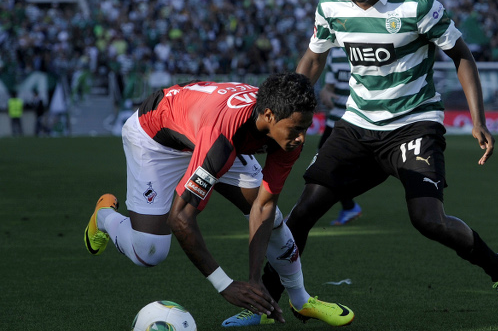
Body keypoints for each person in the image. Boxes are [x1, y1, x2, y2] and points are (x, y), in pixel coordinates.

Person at [259, 0, 498, 323]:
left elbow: (462, 55)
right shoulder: (330, 4)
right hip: (357, 124)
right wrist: (289, 111)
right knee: (302, 213)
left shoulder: (418, 5)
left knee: (428, 221)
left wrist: (478, 119)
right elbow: (314, 58)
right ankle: (264, 303)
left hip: (414, 124)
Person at [83, 73, 354, 327]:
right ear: (269, 115)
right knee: (149, 251)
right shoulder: (223, 139)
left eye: (305, 128)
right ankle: (105, 216)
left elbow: (265, 205)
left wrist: (254, 281)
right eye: (296, 129)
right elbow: (180, 218)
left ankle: (301, 300)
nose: (302, 137)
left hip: (206, 131)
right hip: (156, 138)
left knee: (274, 220)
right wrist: (225, 284)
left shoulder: (286, 127)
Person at [318, 48, 362, 225]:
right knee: (325, 165)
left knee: (334, 167)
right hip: (336, 119)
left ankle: (348, 205)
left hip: (358, 119)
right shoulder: (335, 53)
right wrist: (325, 93)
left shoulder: (368, 46)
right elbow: (329, 88)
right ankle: (348, 205)